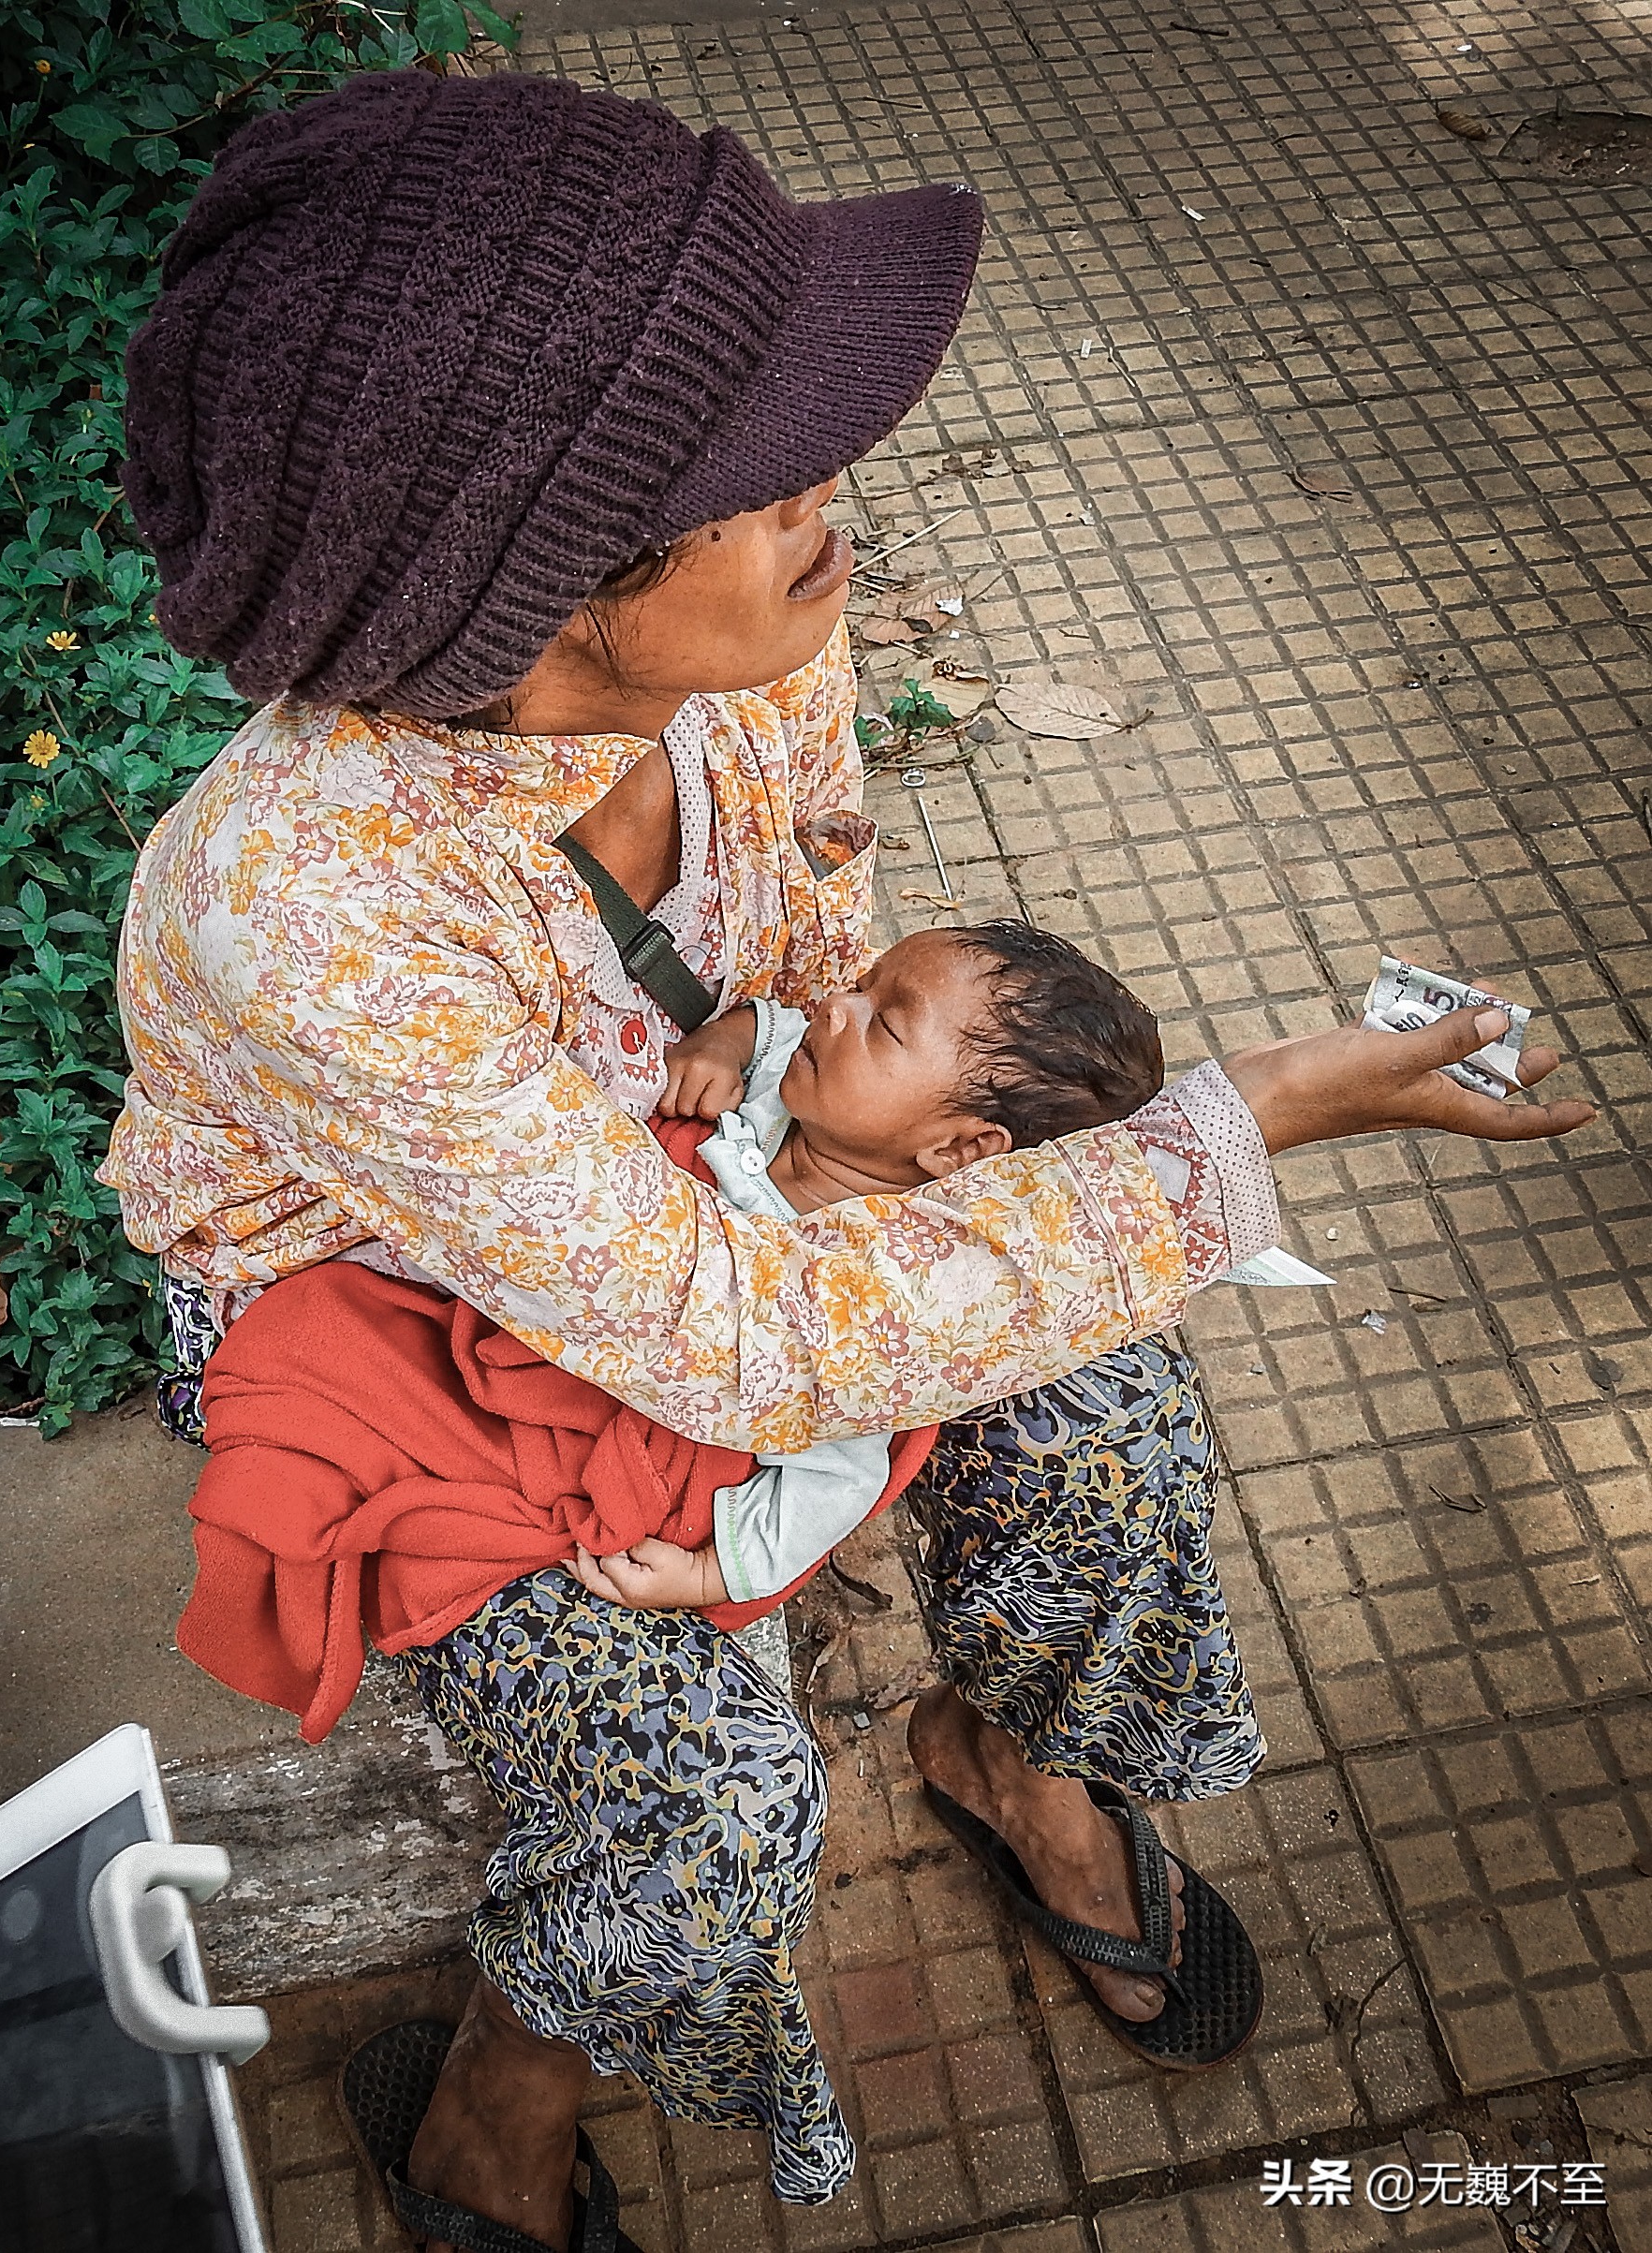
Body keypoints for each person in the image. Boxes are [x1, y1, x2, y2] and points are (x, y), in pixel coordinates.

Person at [106, 66, 1592, 2253]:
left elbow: (806, 994)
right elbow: (729, 1344)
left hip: (723, 1210)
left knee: (1105, 1405)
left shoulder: (745, 657)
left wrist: (871, 1123)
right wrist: (1232, 1118)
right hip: (398, 1334)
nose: (831, 483)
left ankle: (1017, 1765)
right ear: (552, 582)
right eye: (756, 467)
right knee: (713, 1785)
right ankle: (500, 2098)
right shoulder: (299, 904)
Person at [574, 919, 1167, 1611]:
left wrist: (708, 1575)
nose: (835, 1006)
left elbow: (835, 1480)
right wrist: (720, 1044)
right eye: (862, 984)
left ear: (958, 1148)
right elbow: (769, 1027)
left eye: (883, 1025)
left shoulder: (873, 1304)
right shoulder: (795, 1082)